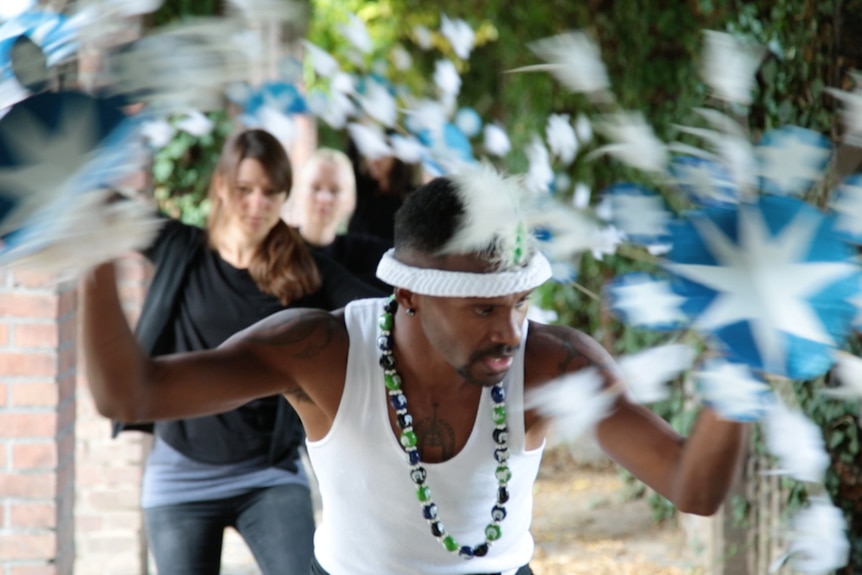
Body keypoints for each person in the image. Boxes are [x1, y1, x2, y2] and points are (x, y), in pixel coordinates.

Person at [83, 168, 746, 575]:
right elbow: (128, 392)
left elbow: (694, 486)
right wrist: (90, 253)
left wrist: (743, 355)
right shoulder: (322, 352)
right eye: (483, 307)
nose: (509, 330)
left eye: (521, 301)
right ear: (409, 294)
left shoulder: (551, 363)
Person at [118, 128, 383, 575]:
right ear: (222, 185)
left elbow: (374, 309)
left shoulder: (304, 266)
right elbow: (111, 211)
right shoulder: (182, 248)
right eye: (245, 190)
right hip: (181, 470)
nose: (257, 204)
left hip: (269, 473)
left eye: (270, 193)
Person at [286, 147, 391, 290]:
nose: (324, 199)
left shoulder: (365, 255)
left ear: (350, 201)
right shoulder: (275, 246)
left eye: (335, 190)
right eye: (315, 188)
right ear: (298, 192)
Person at [346, 135, 421, 242]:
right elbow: (353, 148)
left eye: (381, 154)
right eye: (371, 152)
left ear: (397, 157)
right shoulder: (363, 188)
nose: (375, 160)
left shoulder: (410, 198)